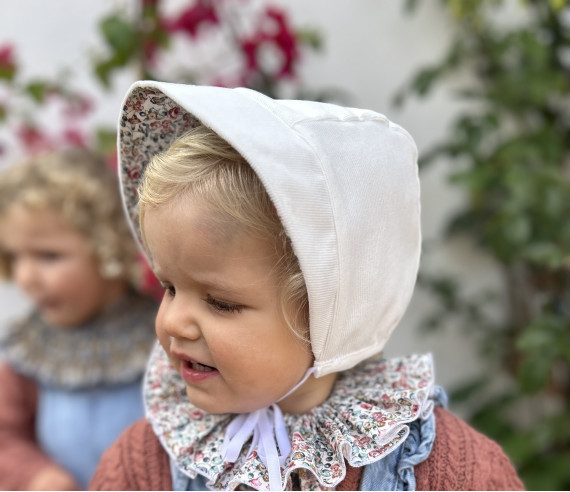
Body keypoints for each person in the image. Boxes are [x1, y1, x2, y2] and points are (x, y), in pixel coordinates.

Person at [89, 81, 525, 491]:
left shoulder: (451, 470)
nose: (174, 322)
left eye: (220, 303)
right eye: (169, 288)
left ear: (334, 310)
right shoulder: (143, 466)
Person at [0, 148, 158, 490]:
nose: (25, 277)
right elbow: (4, 437)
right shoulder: (26, 352)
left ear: (109, 248)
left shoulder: (166, 337)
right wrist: (37, 476)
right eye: (14, 257)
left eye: (48, 256)